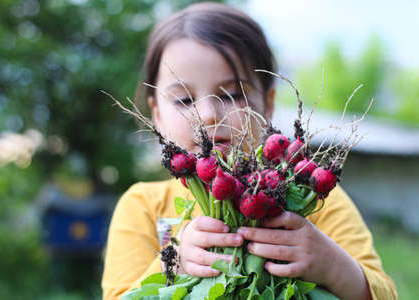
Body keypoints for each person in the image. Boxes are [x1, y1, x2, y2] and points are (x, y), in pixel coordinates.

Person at [101, 3, 397, 300]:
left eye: (231, 95)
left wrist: (332, 265)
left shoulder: (313, 201)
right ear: (156, 113)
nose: (207, 115)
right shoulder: (143, 206)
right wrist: (174, 262)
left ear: (268, 103)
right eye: (183, 99)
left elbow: (384, 294)